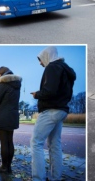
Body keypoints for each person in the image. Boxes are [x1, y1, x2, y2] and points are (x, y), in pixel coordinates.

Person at [30, 46, 76, 181]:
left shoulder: (52, 67)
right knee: (55, 145)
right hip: (61, 109)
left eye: (40, 59)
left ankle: (38, 178)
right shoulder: (65, 69)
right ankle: (55, 177)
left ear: (47, 56)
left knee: (36, 142)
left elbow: (50, 91)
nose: (40, 63)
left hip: (50, 110)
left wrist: (37, 94)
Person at [0, 66, 22, 174]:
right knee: (10, 141)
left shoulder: (2, 83)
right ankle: (9, 167)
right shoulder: (17, 83)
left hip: (3, 115)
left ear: (1, 74)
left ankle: (4, 167)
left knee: (4, 142)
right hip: (13, 115)